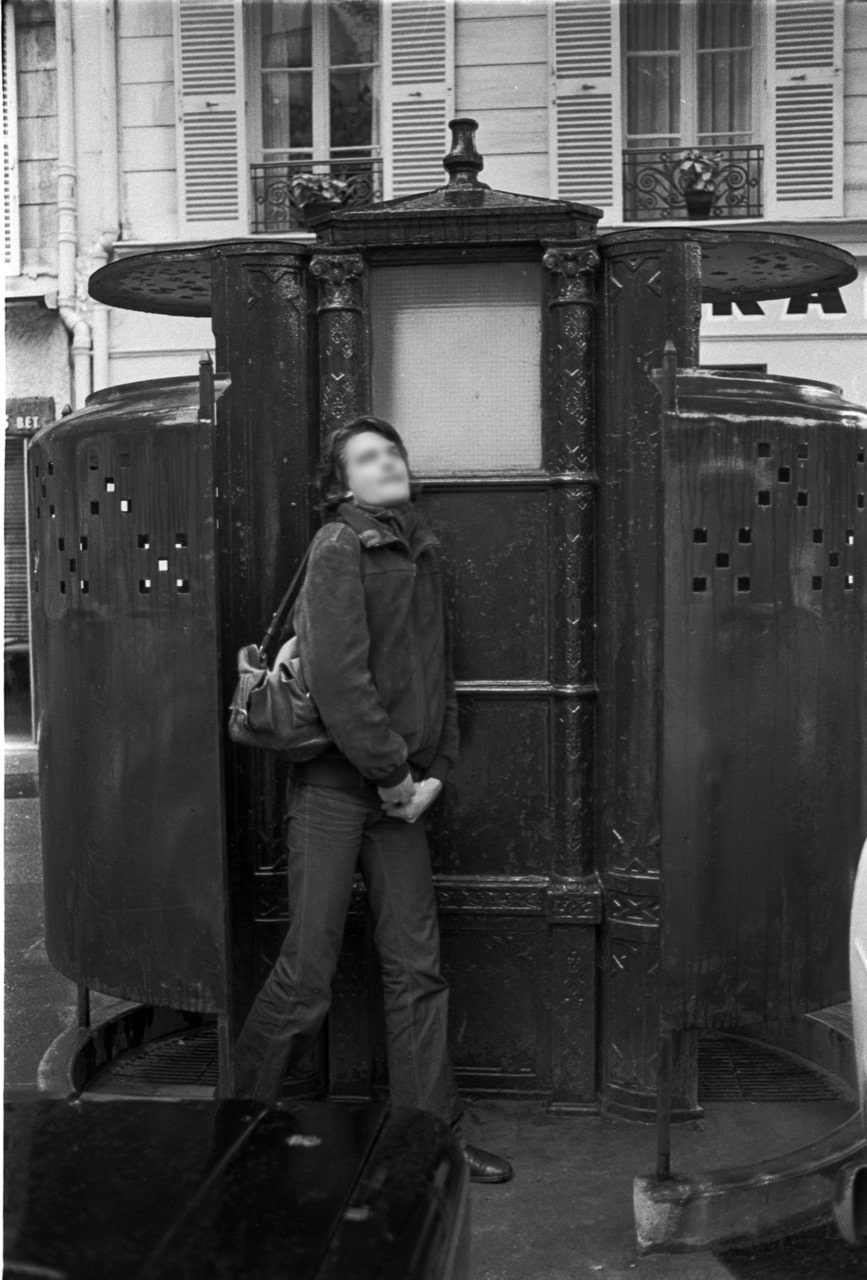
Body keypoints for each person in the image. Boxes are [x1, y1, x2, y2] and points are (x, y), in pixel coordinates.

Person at [229, 415, 513, 1184]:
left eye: (392, 451)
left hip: (403, 798)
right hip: (335, 789)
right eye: (367, 456)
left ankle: (431, 1137)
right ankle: (232, 1126)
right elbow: (339, 683)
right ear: (341, 483)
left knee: (416, 970)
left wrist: (435, 774)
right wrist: (394, 777)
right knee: (307, 971)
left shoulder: (417, 548)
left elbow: (439, 675)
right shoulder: (338, 546)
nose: (387, 462)